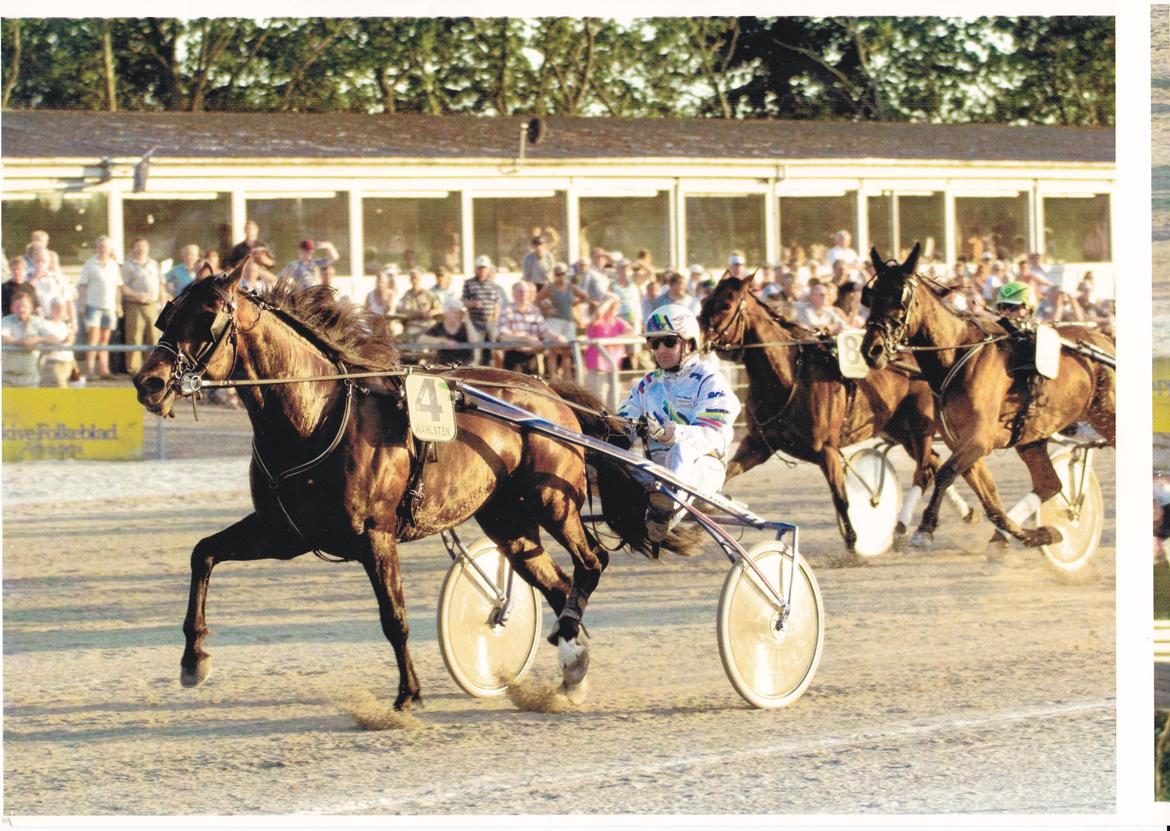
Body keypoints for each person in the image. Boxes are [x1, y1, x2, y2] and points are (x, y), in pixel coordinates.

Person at [617, 304, 742, 543]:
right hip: (657, 471)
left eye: (669, 342)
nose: (661, 350)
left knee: (681, 449)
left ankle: (662, 516)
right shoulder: (647, 383)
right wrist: (619, 428)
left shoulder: (710, 380)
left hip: (702, 470)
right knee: (611, 455)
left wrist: (672, 433)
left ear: (690, 344)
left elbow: (713, 434)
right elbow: (623, 419)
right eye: (654, 343)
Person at [77, 235, 123, 380]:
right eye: (101, 246)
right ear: (96, 248)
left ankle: (104, 370)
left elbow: (118, 287)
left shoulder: (114, 265)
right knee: (93, 338)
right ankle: (90, 371)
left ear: (110, 249)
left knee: (104, 339)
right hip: (93, 306)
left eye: (106, 247)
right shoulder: (90, 264)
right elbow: (83, 285)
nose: (103, 249)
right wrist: (82, 304)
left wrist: (118, 304)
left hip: (109, 307)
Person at [497, 280, 565, 375]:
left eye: (526, 291)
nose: (523, 294)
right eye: (520, 291)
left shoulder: (534, 310)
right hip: (514, 357)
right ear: (513, 294)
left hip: (532, 357)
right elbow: (503, 336)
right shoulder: (507, 311)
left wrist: (556, 337)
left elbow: (544, 331)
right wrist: (526, 339)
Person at [121, 237, 163, 375]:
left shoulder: (154, 264)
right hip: (134, 305)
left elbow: (160, 284)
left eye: (144, 246)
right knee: (134, 337)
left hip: (152, 305)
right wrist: (135, 295)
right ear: (133, 249)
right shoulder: (127, 265)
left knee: (153, 337)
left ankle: (151, 368)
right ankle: (134, 370)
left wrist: (162, 301)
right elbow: (122, 287)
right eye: (138, 246)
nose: (141, 249)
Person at [584, 297, 633, 408]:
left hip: (613, 363)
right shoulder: (598, 319)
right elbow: (597, 315)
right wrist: (609, 300)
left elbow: (632, 331)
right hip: (597, 364)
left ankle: (612, 415)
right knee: (598, 395)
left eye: (615, 306)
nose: (614, 308)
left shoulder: (618, 321)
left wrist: (618, 338)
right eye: (611, 306)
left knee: (614, 394)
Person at [1, 293, 57, 388]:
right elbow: (2, 337)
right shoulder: (6, 321)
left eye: (24, 306)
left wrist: (37, 340)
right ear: (12, 308)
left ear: (31, 308)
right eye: (17, 306)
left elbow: (55, 339)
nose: (21, 309)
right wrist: (23, 342)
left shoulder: (39, 322)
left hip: (30, 378)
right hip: (6, 378)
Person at [418, 299, 482, 366]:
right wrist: (443, 341)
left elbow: (475, 341)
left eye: (457, 312)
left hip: (465, 365)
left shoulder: (466, 327)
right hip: (444, 366)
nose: (455, 315)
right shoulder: (439, 327)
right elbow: (421, 340)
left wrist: (467, 320)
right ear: (445, 313)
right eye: (452, 312)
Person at [462, 255, 503, 341]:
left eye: (484, 268)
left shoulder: (493, 285)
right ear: (475, 269)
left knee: (492, 346)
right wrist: (472, 303)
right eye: (479, 268)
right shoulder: (468, 283)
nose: (482, 271)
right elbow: (463, 301)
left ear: (488, 269)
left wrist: (495, 321)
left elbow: (497, 304)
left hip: (490, 322)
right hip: (475, 322)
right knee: (476, 346)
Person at [38, 297, 75, 388]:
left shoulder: (66, 325)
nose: (60, 309)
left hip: (69, 362)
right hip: (53, 362)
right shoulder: (45, 325)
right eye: (56, 307)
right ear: (51, 309)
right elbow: (48, 343)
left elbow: (71, 341)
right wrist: (63, 342)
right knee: (60, 385)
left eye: (62, 307)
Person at [396, 268, 442, 339]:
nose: (414, 281)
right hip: (413, 325)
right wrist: (417, 313)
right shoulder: (407, 295)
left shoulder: (428, 294)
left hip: (428, 324)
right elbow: (401, 309)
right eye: (412, 278)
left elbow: (440, 309)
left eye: (416, 278)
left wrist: (430, 313)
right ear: (410, 280)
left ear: (420, 279)